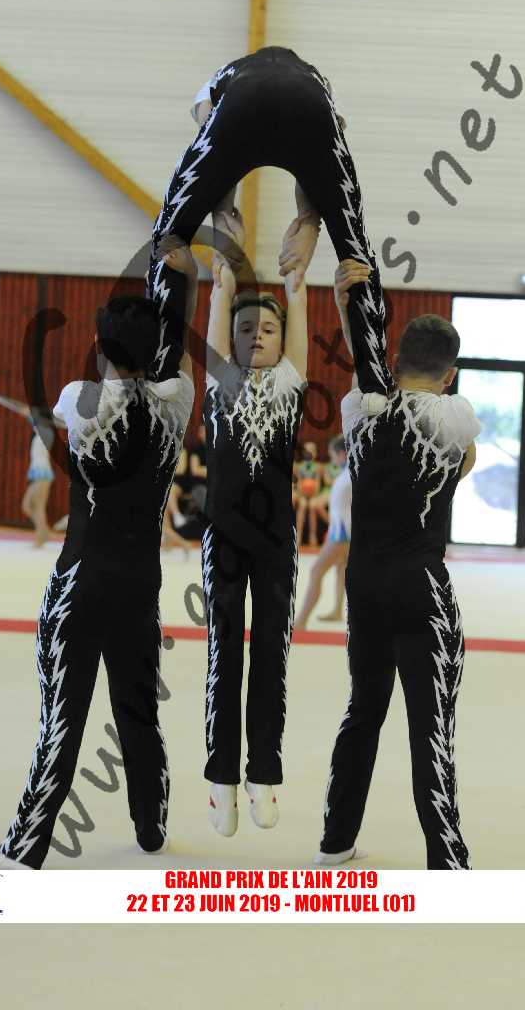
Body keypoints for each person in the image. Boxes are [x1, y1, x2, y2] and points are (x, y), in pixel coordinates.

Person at [0, 241, 198, 869]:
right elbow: (175, 356)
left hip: (82, 580)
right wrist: (184, 283)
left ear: (98, 347)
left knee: (62, 716)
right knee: (138, 712)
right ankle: (151, 827)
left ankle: (24, 849)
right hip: (140, 585)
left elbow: (103, 392)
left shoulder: (79, 399)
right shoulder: (177, 404)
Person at [316, 261, 480, 870]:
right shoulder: (454, 421)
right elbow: (463, 464)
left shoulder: (358, 412)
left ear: (396, 360)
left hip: (365, 584)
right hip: (421, 584)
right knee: (430, 722)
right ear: (449, 374)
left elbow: (365, 376)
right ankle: (446, 857)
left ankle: (336, 841)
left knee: (363, 710)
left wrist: (347, 306)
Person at [146, 45, 390, 409]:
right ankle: (375, 383)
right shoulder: (321, 83)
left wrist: (222, 217)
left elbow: (211, 152)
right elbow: (325, 157)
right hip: (310, 113)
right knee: (356, 252)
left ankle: (162, 370)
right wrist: (309, 223)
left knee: (167, 240)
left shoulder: (217, 83)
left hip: (241, 109)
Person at [201, 210, 310, 838]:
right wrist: (225, 271)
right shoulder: (219, 379)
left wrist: (298, 280)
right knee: (225, 652)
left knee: (271, 652)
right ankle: (221, 778)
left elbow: (296, 304)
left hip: (275, 542)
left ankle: (263, 771)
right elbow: (220, 300)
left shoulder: (291, 383)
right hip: (224, 539)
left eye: (270, 328)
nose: (258, 336)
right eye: (247, 329)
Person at [293, 435, 351, 630]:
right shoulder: (346, 474)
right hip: (341, 530)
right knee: (341, 569)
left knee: (316, 570)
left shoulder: (349, 476)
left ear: (342, 454)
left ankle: (302, 620)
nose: (332, 460)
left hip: (341, 533)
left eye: (333, 455)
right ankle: (337, 611)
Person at [0, 396, 59, 547]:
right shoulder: (42, 432)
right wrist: (29, 414)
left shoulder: (46, 433)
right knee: (27, 506)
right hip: (38, 473)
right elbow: (35, 421)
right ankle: (44, 531)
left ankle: (40, 538)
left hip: (43, 473)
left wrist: (30, 414)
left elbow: (37, 421)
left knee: (38, 506)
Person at [293, 440, 322, 543]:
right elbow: (299, 483)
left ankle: (312, 534)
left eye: (311, 451)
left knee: (313, 505)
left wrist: (312, 492)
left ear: (315, 453)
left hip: (314, 494)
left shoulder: (318, 467)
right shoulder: (299, 467)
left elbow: (317, 484)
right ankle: (299, 534)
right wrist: (303, 492)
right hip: (302, 494)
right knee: (303, 504)